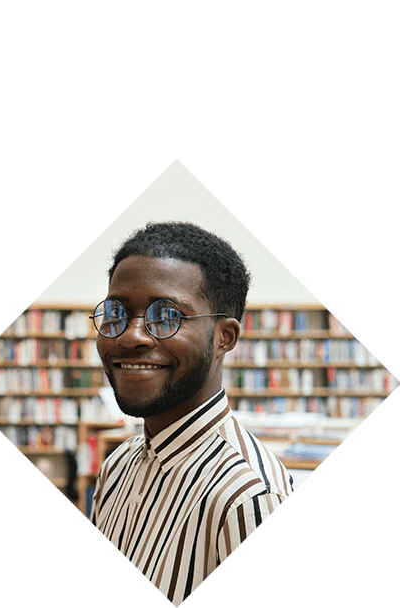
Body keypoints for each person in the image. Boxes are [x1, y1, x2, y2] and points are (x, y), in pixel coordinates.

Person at [90, 222, 293, 606]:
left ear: (225, 337)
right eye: (116, 312)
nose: (131, 336)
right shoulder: (117, 466)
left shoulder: (250, 498)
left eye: (166, 316)